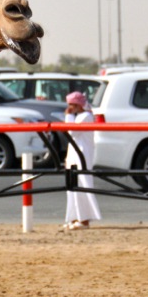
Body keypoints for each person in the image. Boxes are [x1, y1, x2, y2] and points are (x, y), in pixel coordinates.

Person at [63, 90, 102, 231]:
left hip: (83, 155)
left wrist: (68, 116)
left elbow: (72, 131)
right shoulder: (79, 116)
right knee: (72, 186)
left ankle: (84, 219)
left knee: (81, 185)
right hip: (74, 154)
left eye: (71, 105)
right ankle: (74, 217)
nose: (69, 108)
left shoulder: (85, 116)